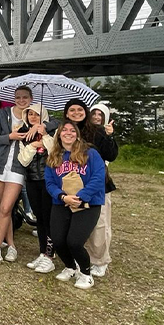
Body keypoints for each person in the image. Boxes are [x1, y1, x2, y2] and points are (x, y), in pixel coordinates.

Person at [0, 86, 48, 263]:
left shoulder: (34, 116)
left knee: (6, 208)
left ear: (31, 98)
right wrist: (9, 137)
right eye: (18, 97)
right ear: (14, 98)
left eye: (25, 97)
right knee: (3, 210)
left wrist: (41, 127)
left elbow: (55, 124)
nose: (21, 100)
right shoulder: (3, 114)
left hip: (18, 167)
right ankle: (11, 245)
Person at [44, 121, 106, 289]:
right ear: (59, 135)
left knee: (74, 241)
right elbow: (49, 182)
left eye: (72, 130)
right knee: (57, 239)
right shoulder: (54, 156)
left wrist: (80, 197)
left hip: (87, 203)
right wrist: (63, 197)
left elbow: (99, 177)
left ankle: (86, 273)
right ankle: (70, 266)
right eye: (64, 130)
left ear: (77, 134)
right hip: (62, 202)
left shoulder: (91, 154)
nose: (68, 133)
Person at [69, 100, 119, 277]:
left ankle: (100, 259)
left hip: (98, 184)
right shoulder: (70, 130)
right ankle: (83, 256)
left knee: (100, 223)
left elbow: (111, 155)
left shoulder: (99, 132)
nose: (97, 117)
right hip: (75, 184)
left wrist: (109, 136)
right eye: (95, 113)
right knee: (81, 222)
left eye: (101, 114)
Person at [16, 104, 58, 273]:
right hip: (32, 180)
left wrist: (45, 136)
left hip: (49, 181)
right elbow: (23, 160)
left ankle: (50, 255)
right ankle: (43, 252)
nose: (33, 117)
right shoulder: (24, 134)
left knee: (48, 218)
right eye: (30, 114)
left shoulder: (53, 132)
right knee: (39, 218)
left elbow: (55, 151)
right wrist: (33, 145)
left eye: (37, 114)